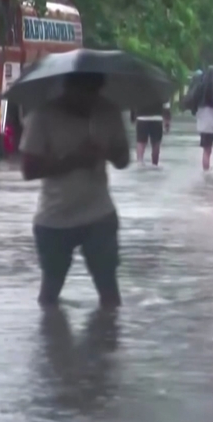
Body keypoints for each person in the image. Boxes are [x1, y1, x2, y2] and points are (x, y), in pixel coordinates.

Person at [18, 72, 130, 308]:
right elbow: (29, 169)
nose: (88, 101)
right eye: (82, 94)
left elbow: (123, 160)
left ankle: (108, 340)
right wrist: (75, 159)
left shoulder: (107, 112)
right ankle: (52, 342)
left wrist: (105, 151)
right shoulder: (43, 115)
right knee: (50, 294)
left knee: (109, 294)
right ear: (67, 88)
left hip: (99, 215)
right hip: (54, 218)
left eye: (93, 94)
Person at [132, 100, 171, 166]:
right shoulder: (162, 91)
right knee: (156, 143)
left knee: (141, 142)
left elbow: (133, 104)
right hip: (157, 119)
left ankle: (140, 162)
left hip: (142, 118)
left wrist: (133, 117)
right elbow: (166, 107)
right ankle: (154, 164)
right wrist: (167, 122)